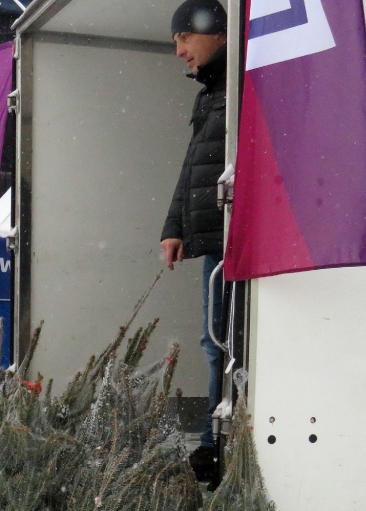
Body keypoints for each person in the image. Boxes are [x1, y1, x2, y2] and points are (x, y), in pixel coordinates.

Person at [160, 0, 227, 481]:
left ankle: (215, 444)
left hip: (238, 240)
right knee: (215, 341)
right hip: (216, 242)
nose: (180, 51)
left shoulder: (243, 86)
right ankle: (212, 443)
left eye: (185, 37)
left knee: (223, 342)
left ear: (216, 32)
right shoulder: (212, 93)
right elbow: (193, 165)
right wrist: (174, 227)